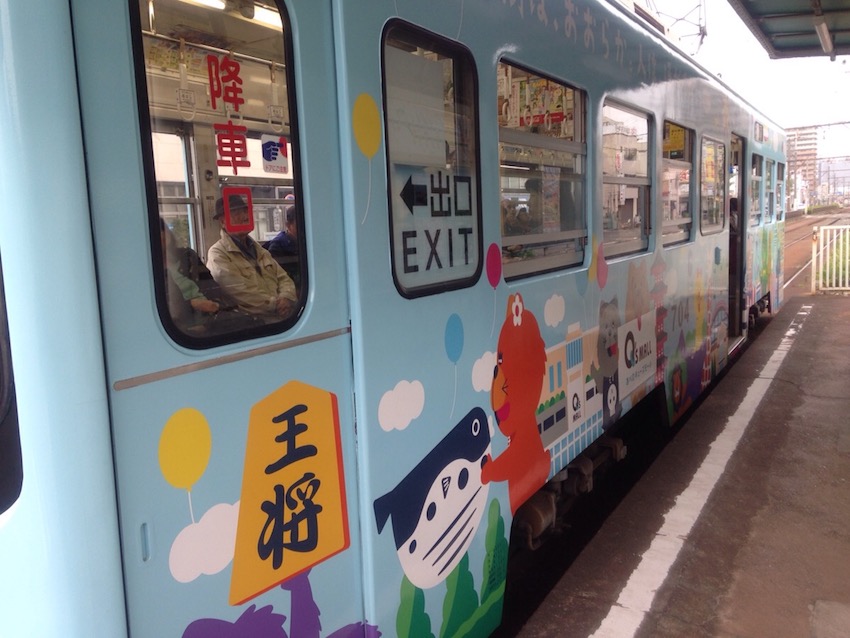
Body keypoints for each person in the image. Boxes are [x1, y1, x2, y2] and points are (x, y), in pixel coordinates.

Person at [207, 194, 298, 323]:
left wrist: (286, 297)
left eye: (246, 212)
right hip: (252, 323)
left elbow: (283, 278)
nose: (245, 217)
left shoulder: (261, 251)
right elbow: (240, 293)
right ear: (223, 222)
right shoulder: (218, 254)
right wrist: (276, 305)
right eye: (236, 214)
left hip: (284, 317)